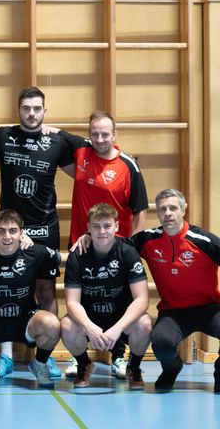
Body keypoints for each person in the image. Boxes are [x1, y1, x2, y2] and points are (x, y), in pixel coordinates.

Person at [75, 189, 220, 392]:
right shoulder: (148, 239)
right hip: (174, 312)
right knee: (160, 342)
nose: (168, 213)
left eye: (173, 208)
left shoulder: (204, 241)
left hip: (210, 309)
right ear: (158, 214)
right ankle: (171, 369)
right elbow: (114, 242)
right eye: (163, 209)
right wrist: (88, 236)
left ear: (183, 211)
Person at [0, 86, 74, 378]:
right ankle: (6, 355)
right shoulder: (3, 135)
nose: (31, 114)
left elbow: (90, 157)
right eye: (26, 108)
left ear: (45, 112)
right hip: (9, 229)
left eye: (37, 109)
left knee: (46, 289)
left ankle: (44, 358)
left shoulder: (56, 141)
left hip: (45, 227)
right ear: (18, 110)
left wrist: (62, 132)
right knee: (6, 286)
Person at [57, 111, 149, 379]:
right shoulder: (82, 153)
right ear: (89, 133)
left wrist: (129, 245)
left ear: (115, 135)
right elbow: (55, 134)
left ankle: (120, 357)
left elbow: (140, 208)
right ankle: (81, 359)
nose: (99, 138)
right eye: (94, 133)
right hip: (82, 242)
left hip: (116, 244)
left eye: (105, 134)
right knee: (87, 300)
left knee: (117, 297)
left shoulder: (127, 165)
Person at [0, 209, 62, 389]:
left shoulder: (34, 253)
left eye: (13, 231)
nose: (7, 236)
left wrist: (87, 244)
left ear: (21, 233)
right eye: (1, 231)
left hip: (25, 320)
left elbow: (64, 258)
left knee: (53, 324)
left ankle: (39, 364)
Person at [60, 203, 151, 389]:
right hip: (90, 318)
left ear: (116, 227)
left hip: (121, 318)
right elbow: (71, 302)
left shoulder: (127, 252)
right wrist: (88, 326)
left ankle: (133, 367)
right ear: (88, 228)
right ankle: (84, 364)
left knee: (144, 323)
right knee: (67, 326)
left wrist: (118, 328)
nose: (102, 231)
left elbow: (142, 299)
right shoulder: (77, 255)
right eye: (96, 226)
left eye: (107, 226)